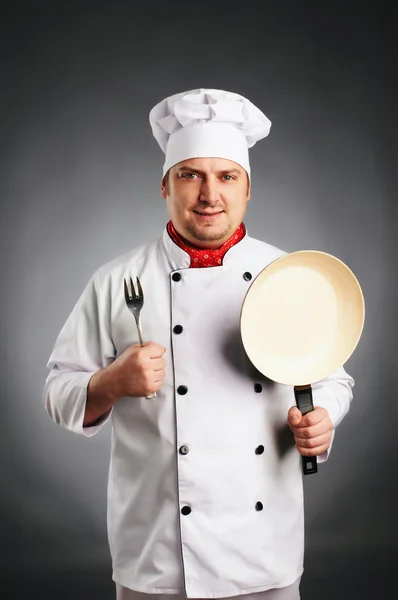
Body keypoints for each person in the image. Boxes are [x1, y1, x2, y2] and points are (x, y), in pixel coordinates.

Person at [43, 88, 355, 600]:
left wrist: (322, 417)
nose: (210, 193)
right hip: (158, 557)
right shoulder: (118, 280)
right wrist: (111, 381)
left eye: (227, 176)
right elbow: (58, 391)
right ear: (164, 186)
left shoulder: (288, 275)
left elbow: (331, 379)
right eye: (191, 175)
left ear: (247, 189)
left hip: (263, 552)